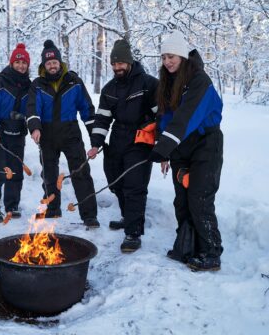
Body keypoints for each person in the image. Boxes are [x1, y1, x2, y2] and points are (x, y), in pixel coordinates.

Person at [149, 30, 224, 271]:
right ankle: (188, 245)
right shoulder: (168, 82)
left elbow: (186, 117)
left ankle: (211, 252)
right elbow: (166, 117)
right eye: (163, 57)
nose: (167, 61)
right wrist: (165, 148)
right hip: (181, 146)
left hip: (206, 145)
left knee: (199, 198)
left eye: (171, 56)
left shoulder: (199, 81)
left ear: (182, 56)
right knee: (181, 200)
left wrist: (164, 147)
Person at [87, 39, 158, 253]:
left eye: (121, 64)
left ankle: (133, 232)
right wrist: (96, 143)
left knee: (134, 185)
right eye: (114, 64)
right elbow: (102, 119)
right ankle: (128, 218)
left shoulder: (149, 84)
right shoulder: (109, 89)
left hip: (140, 138)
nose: (117, 68)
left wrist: (161, 141)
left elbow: (162, 116)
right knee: (115, 181)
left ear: (129, 62)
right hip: (118, 137)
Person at [26, 40, 99, 228]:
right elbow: (33, 108)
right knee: (49, 174)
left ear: (60, 62)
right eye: (48, 63)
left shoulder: (74, 81)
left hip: (70, 133)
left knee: (80, 172)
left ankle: (89, 215)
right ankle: (52, 208)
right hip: (47, 134)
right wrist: (35, 127)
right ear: (44, 65)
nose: (52, 65)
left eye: (54, 62)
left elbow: (87, 110)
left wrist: (95, 139)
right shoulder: (37, 85)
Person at [0, 43, 31, 223]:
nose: (21, 65)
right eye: (17, 62)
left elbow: (32, 110)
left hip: (17, 132)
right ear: (11, 63)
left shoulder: (30, 86)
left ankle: (12, 204)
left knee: (16, 170)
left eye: (24, 63)